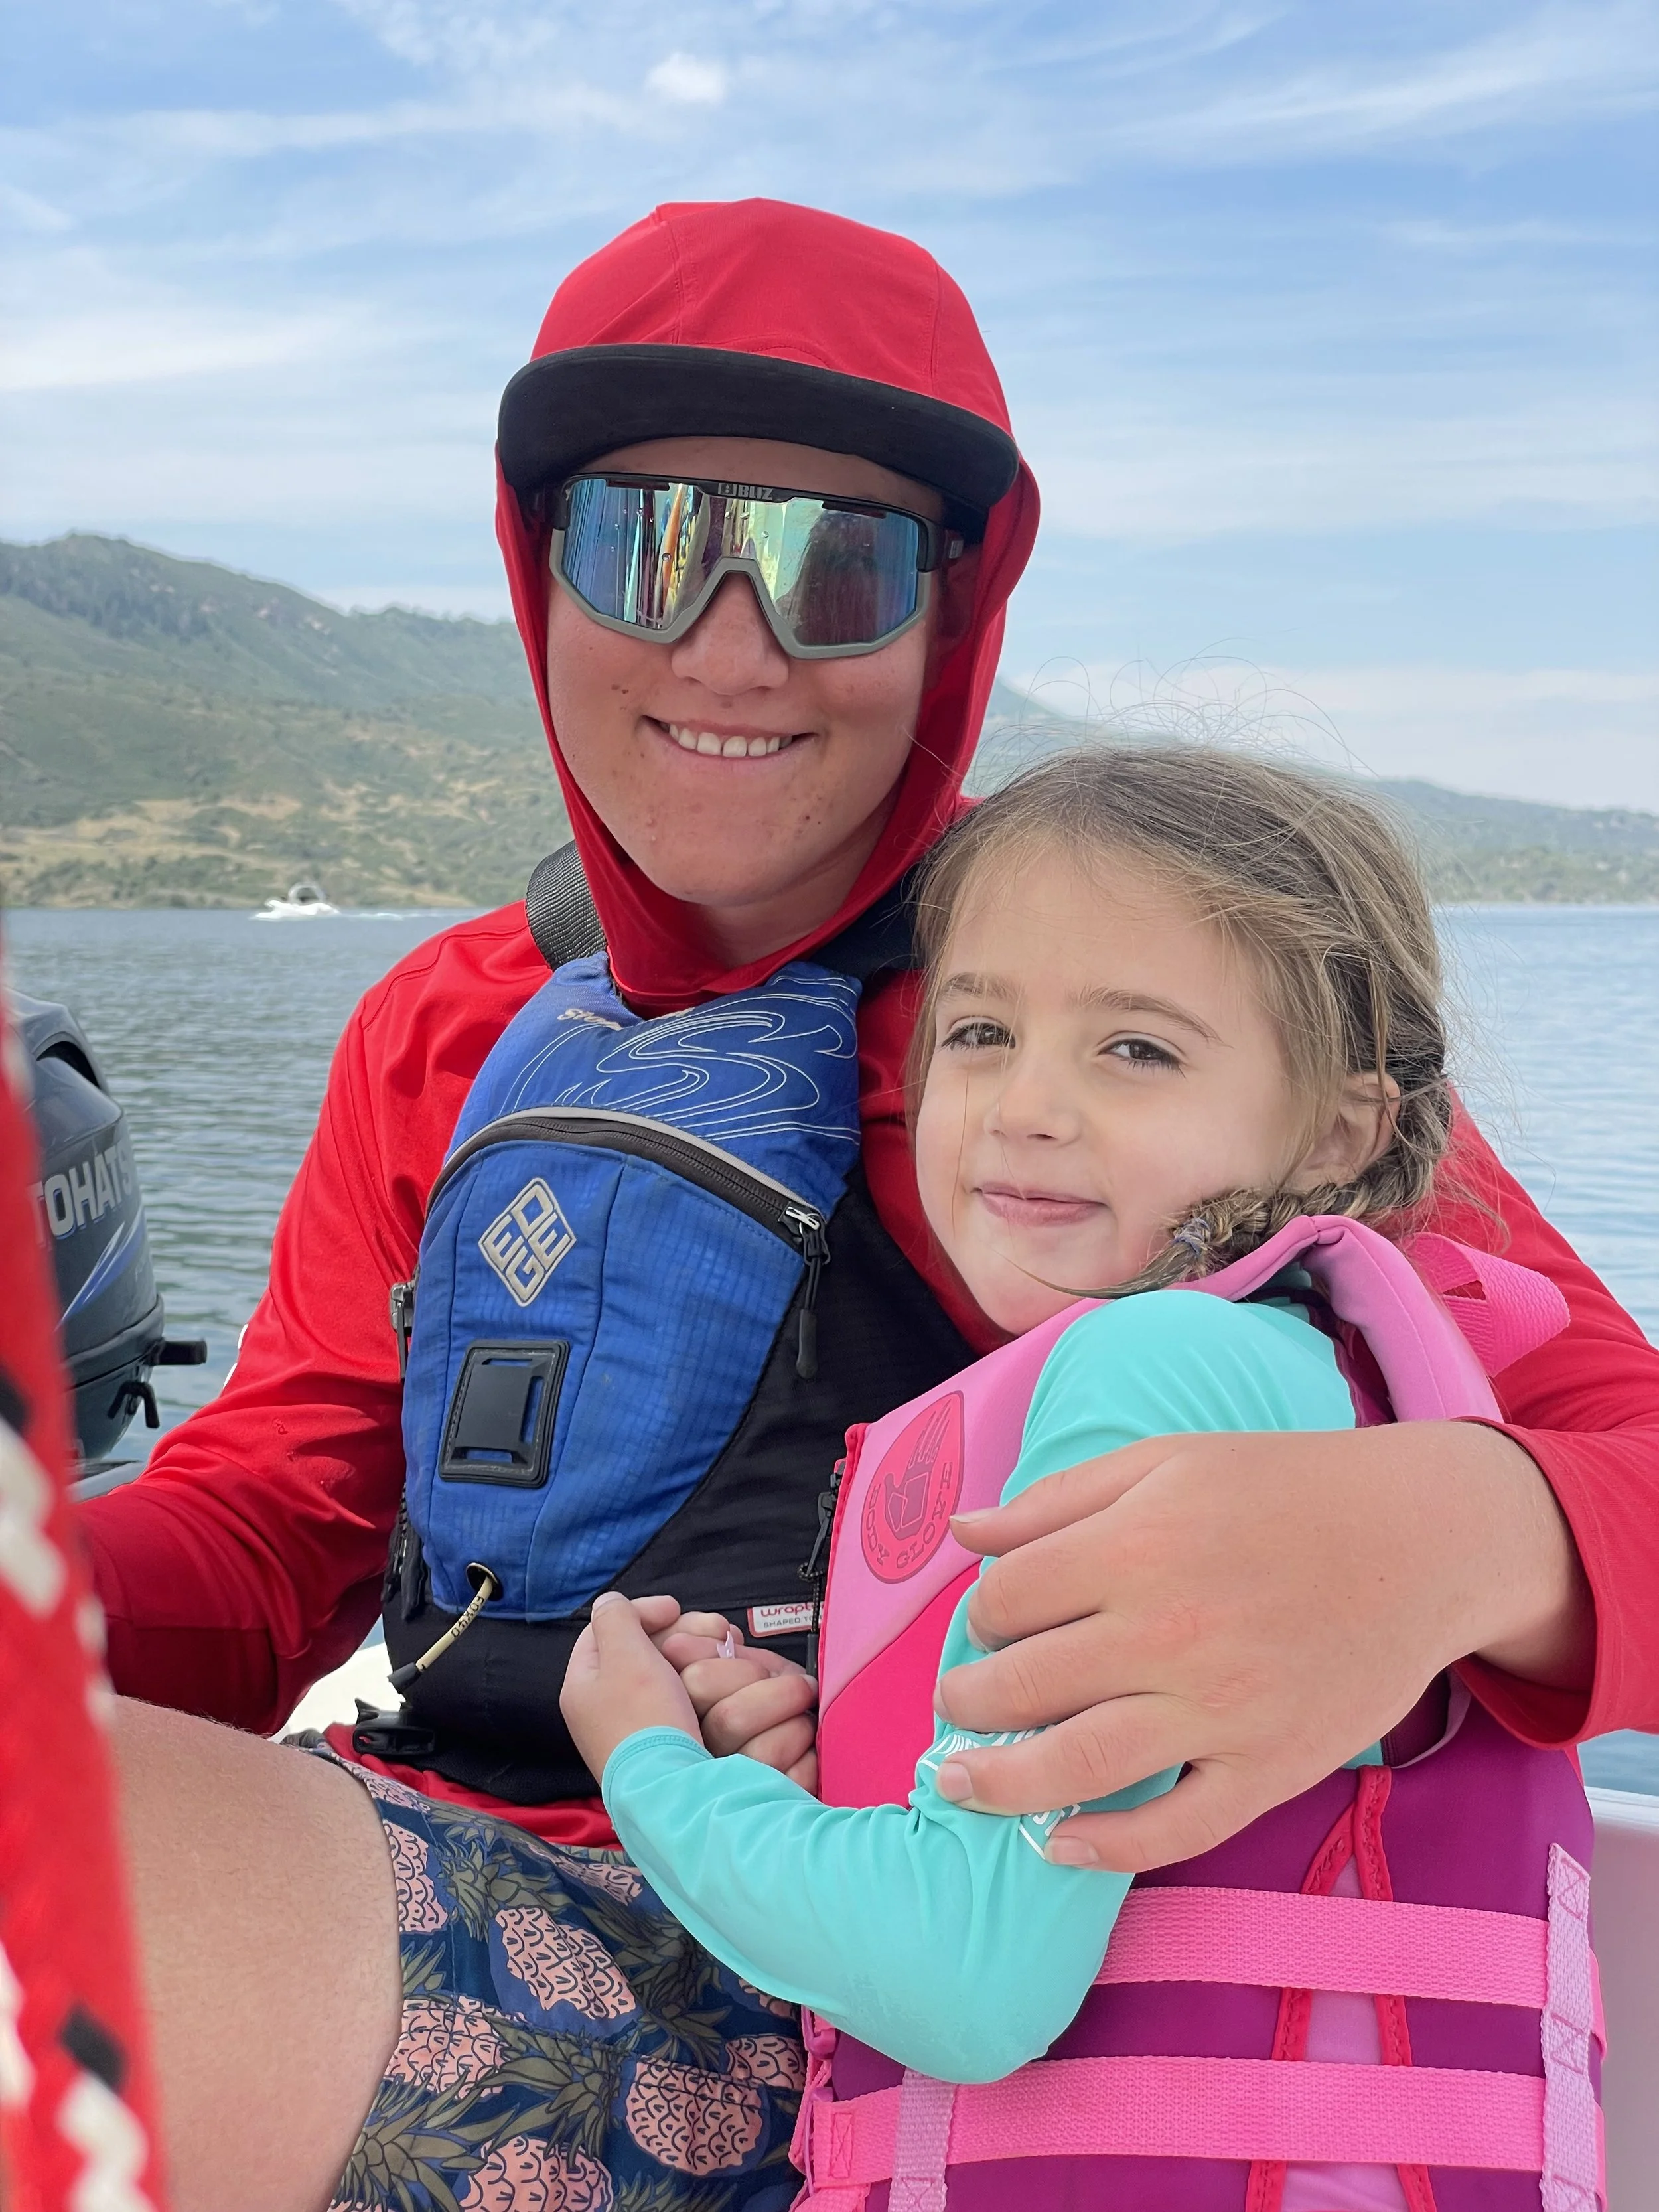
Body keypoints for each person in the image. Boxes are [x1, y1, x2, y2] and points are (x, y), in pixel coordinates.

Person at [86, 199, 1659, 2203]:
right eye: (645, 543)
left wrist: (1456, 1533)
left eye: (832, 566)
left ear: (951, 613)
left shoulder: (1138, 1024)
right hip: (407, 1838)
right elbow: (276, 1519)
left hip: (853, 1991)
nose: (726, 643)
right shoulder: (451, 1021)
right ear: (532, 568)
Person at [552, 746, 1598, 2212]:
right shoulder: (1318, 1370)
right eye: (979, 1030)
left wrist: (646, 1763)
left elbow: (960, 1977)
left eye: (1135, 1049)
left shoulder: (1155, 1376)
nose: (1026, 1105)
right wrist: (799, 1784)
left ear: (1343, 1128)